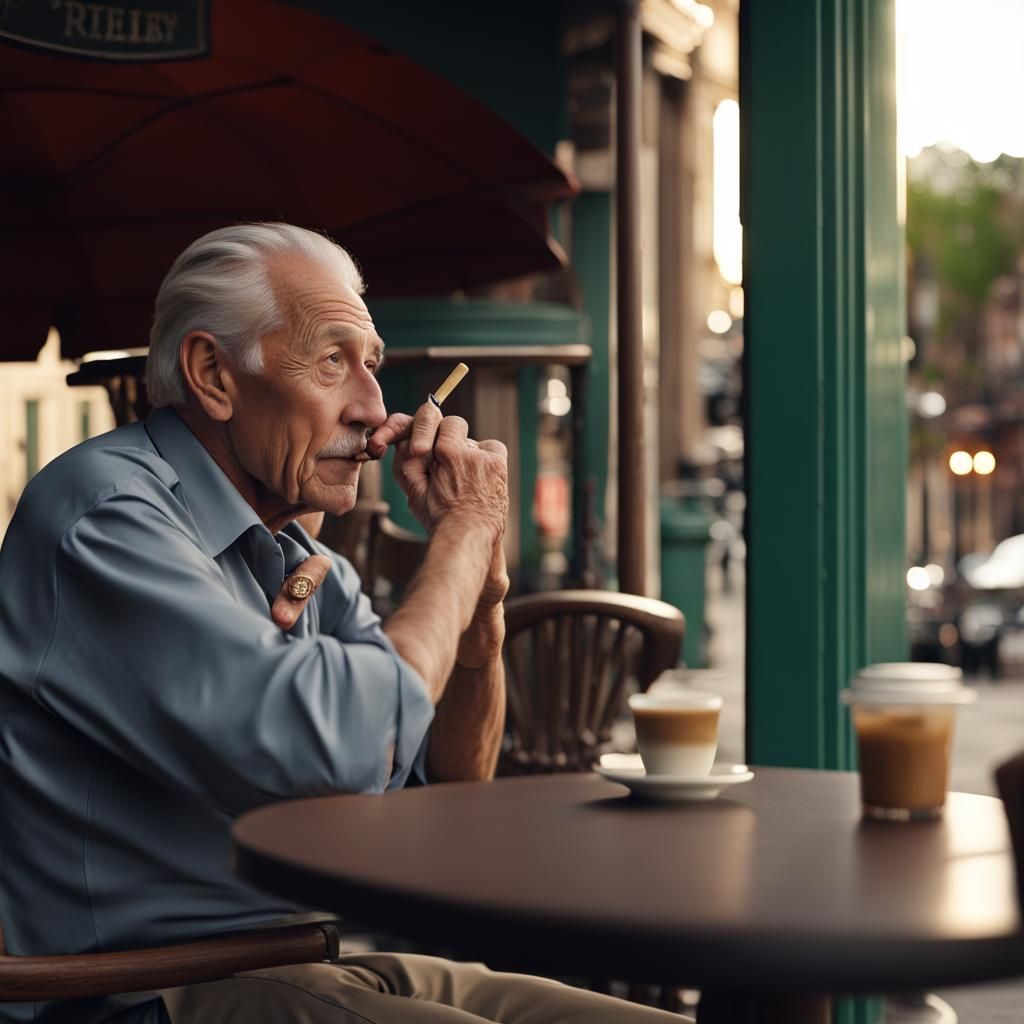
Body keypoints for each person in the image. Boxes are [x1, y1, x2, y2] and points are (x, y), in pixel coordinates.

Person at [0, 224, 686, 1023]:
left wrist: (482, 613)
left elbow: (448, 797)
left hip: (294, 959)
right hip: (136, 994)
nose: (372, 407)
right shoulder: (106, 515)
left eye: (373, 366)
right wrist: (462, 536)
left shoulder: (294, 552)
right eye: (332, 362)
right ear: (213, 374)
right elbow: (336, 743)